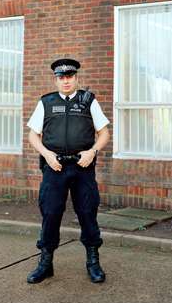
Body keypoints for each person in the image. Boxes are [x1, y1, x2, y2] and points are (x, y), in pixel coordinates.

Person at [26, 58, 110, 284]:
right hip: (55, 167)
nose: (65, 81)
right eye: (61, 77)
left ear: (76, 78)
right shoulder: (45, 102)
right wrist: (47, 154)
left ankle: (93, 262)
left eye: (69, 77)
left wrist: (92, 152)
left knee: (87, 213)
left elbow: (104, 133)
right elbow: (33, 135)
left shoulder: (88, 101)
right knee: (51, 214)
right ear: (56, 80)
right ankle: (45, 264)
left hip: (82, 167)